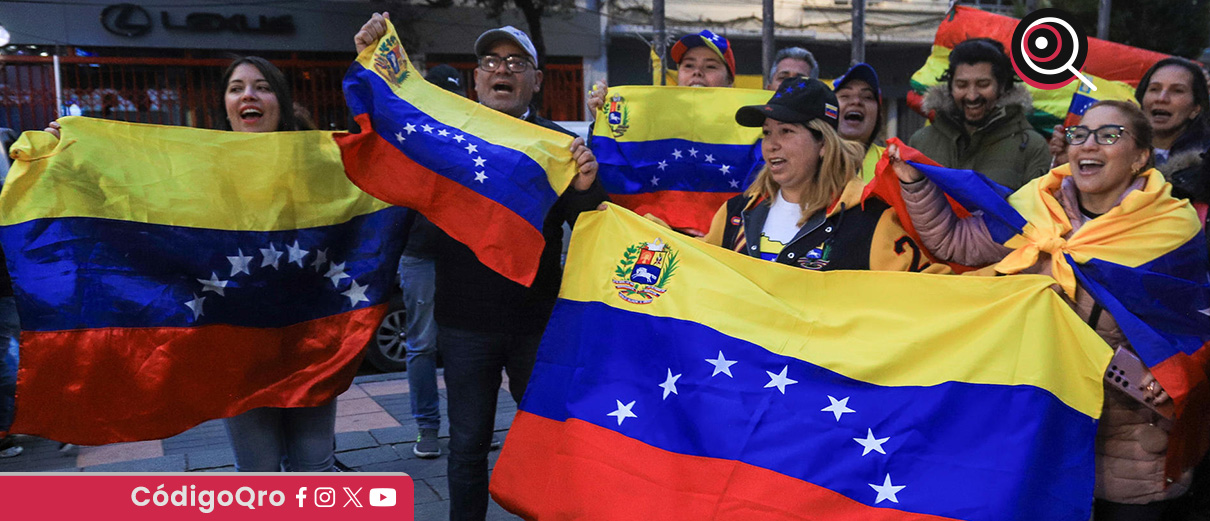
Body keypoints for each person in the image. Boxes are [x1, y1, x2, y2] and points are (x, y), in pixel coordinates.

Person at [892, 100, 1204, 520]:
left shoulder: (1174, 229)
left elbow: (1195, 328)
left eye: (1109, 135)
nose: (1088, 144)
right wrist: (915, 181)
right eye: (1080, 134)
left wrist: (1171, 372)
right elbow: (955, 244)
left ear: (1141, 157)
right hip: (1038, 433)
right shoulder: (1036, 206)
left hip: (1128, 449)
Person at [355, 15, 606, 521]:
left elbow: (592, 224)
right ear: (477, 79)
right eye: (491, 61)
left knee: (544, 438)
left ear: (536, 78)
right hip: (463, 323)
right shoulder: (447, 134)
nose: (502, 70)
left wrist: (585, 185)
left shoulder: (558, 144)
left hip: (534, 323)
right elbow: (387, 125)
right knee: (467, 445)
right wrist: (370, 56)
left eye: (515, 62)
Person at [217, 57, 340, 472]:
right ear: (226, 104)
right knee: (258, 476)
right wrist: (67, 154)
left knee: (314, 465)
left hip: (310, 341)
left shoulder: (322, 165)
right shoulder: (200, 170)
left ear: (281, 102)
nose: (248, 95)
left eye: (261, 86)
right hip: (236, 347)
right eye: (236, 88)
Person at [703, 76, 946, 274]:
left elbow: (931, 291)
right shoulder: (735, 213)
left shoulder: (869, 220)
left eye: (786, 131)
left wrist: (985, 284)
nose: (771, 144)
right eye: (767, 132)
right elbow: (695, 272)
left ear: (823, 144)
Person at [909, 38, 1049, 190]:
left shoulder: (1032, 146)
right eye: (962, 85)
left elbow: (1039, 210)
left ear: (1002, 86)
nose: (972, 96)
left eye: (983, 85)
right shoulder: (920, 142)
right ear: (950, 87)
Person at [586, 29, 736, 114]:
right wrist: (602, 120)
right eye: (689, 65)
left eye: (710, 66)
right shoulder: (651, 118)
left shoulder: (751, 127)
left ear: (729, 79)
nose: (697, 72)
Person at [832, 63, 884, 180]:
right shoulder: (807, 163)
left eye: (867, 97)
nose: (856, 101)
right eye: (845, 96)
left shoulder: (895, 165)